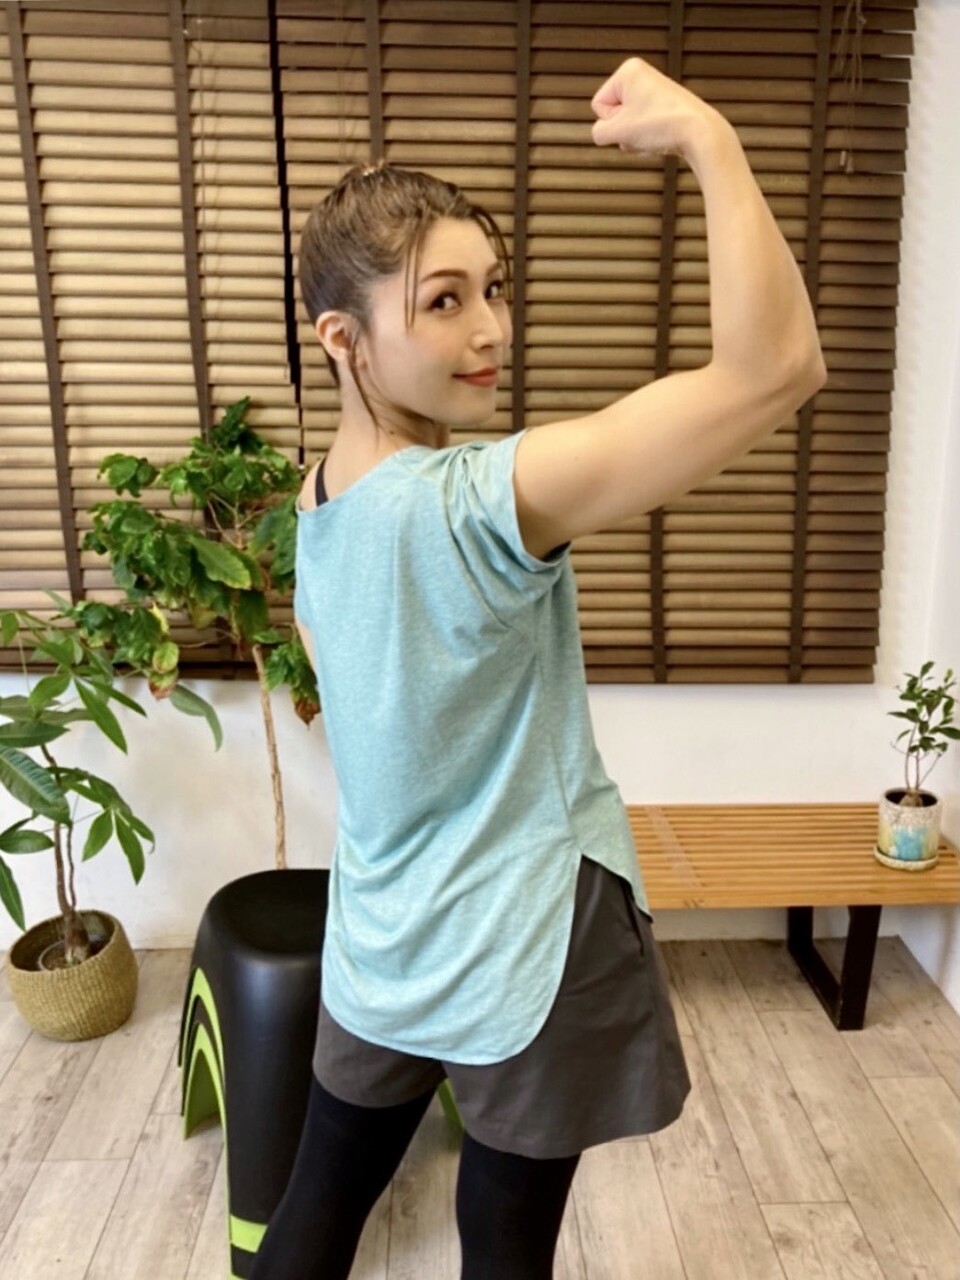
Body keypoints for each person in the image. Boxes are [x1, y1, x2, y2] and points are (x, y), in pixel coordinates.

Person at [249, 56, 826, 1280]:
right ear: (343, 338)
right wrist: (710, 137)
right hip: (529, 932)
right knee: (505, 1250)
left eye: (494, 289)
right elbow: (777, 367)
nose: (491, 329)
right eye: (444, 300)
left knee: (313, 1215)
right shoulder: (478, 500)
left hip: (384, 929)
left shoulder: (316, 501)